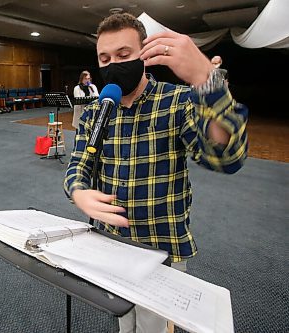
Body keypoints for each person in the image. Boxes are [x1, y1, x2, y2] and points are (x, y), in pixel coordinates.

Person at [63, 13, 248, 333]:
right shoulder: (97, 109)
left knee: (152, 327)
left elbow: (225, 157)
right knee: (122, 318)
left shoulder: (177, 101)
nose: (112, 65)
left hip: (160, 245)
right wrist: (78, 191)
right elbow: (79, 163)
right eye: (104, 58)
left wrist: (209, 82)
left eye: (123, 55)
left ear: (144, 55)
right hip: (110, 242)